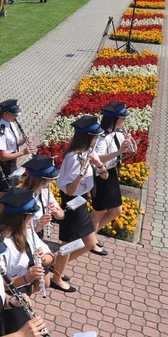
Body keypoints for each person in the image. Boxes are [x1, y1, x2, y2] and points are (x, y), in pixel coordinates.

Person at [0, 187, 55, 337]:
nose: (33, 220)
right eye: (30, 216)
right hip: (8, 295)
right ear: (20, 217)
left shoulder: (26, 231)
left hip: (23, 290)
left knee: (12, 335)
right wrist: (26, 278)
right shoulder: (2, 243)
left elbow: (49, 255)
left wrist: (45, 259)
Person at [51, 115, 109, 293]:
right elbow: (69, 190)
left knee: (89, 244)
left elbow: (105, 176)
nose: (97, 138)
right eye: (95, 136)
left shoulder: (89, 153)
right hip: (72, 203)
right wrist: (81, 173)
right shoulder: (73, 158)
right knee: (67, 243)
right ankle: (57, 277)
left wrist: (99, 165)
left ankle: (56, 266)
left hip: (82, 201)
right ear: (87, 137)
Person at [91, 102, 135, 252]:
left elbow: (129, 151)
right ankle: (90, 241)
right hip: (102, 175)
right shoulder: (103, 137)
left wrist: (130, 144)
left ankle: (90, 237)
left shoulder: (118, 132)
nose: (125, 121)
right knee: (98, 212)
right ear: (115, 119)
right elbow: (97, 158)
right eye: (123, 118)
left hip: (112, 173)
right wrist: (118, 152)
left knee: (116, 210)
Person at [0, 99, 32, 215]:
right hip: (4, 164)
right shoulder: (0, 131)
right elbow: (3, 156)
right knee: (6, 192)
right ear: (5, 114)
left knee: (7, 191)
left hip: (11, 162)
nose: (16, 117)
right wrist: (23, 153)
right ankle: (0, 217)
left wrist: (23, 141)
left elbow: (13, 144)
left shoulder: (11, 124)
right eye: (14, 114)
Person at [21, 154, 65, 240]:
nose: (52, 180)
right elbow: (19, 232)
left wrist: (57, 212)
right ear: (42, 180)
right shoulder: (23, 198)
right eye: (50, 178)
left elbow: (61, 215)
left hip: (37, 236)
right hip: (25, 239)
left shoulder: (44, 191)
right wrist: (38, 226)